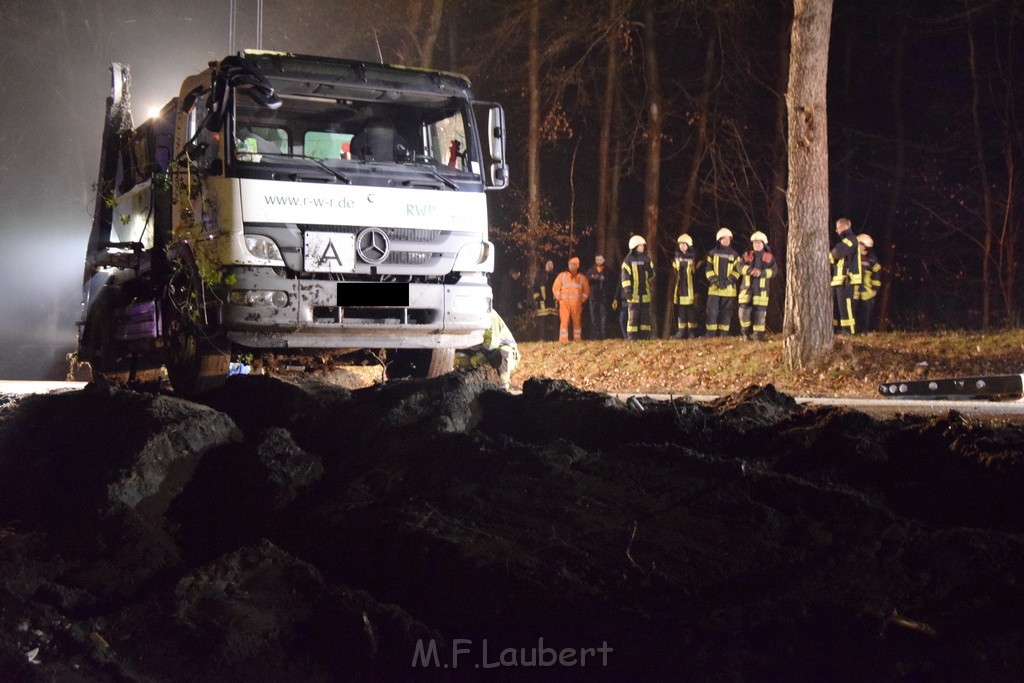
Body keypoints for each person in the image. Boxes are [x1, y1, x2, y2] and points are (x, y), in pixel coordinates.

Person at [454, 310, 520, 390]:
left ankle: (502, 386)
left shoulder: (489, 315)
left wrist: (472, 362)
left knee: (502, 353)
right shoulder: (459, 313)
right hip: (477, 353)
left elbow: (491, 346)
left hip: (501, 353)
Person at [737, 231, 776, 341]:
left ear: (764, 244)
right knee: (744, 313)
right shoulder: (747, 255)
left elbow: (774, 271)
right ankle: (745, 334)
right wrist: (749, 270)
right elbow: (739, 266)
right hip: (747, 290)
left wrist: (761, 273)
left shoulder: (769, 257)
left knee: (760, 314)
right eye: (755, 243)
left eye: (759, 243)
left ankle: (758, 336)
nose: (756, 245)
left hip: (761, 291)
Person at [704, 227, 740, 337]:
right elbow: (708, 269)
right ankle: (711, 334)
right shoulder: (712, 253)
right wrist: (715, 281)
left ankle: (723, 335)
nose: (726, 241)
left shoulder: (735, 254)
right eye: (724, 239)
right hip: (714, 289)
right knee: (712, 313)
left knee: (726, 313)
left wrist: (729, 281)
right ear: (719, 240)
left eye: (728, 239)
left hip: (729, 290)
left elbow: (737, 270)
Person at [829, 217, 862, 335]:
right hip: (839, 281)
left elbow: (838, 252)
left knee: (846, 308)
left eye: (838, 228)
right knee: (838, 309)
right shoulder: (846, 240)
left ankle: (849, 332)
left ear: (844, 227)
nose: (836, 231)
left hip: (847, 280)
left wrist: (830, 257)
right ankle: (838, 330)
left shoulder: (850, 239)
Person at [620, 235, 655, 340]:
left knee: (645, 316)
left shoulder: (646, 259)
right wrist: (627, 291)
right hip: (633, 294)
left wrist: (650, 273)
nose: (643, 247)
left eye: (643, 246)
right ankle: (632, 337)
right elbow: (625, 277)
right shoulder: (628, 261)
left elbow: (652, 274)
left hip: (645, 293)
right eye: (640, 246)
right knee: (633, 317)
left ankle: (645, 337)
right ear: (635, 246)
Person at [552, 256, 590, 343]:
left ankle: (577, 339)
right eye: (570, 264)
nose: (571, 266)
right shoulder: (562, 276)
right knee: (564, 321)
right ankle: (563, 340)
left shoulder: (582, 278)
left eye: (573, 264)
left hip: (576, 304)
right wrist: (559, 298)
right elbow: (555, 287)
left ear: (577, 266)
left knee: (577, 322)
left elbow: (586, 290)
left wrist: (581, 300)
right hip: (564, 303)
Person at [671, 234, 699, 338]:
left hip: (691, 289)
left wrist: (697, 292)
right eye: (680, 244)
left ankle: (692, 332)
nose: (681, 246)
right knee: (681, 312)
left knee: (691, 312)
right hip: (680, 289)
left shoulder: (694, 257)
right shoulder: (677, 257)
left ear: (689, 245)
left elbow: (697, 275)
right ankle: (681, 332)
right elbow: (674, 273)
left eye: (684, 244)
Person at [854, 233, 881, 334]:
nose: (861, 247)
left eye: (862, 245)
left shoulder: (872, 259)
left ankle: (864, 332)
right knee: (852, 313)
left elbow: (876, 275)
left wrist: (875, 290)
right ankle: (852, 332)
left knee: (865, 313)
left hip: (866, 292)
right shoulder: (853, 257)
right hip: (854, 290)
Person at [585, 255, 614, 340]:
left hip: (603, 297)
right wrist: (592, 278)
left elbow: (611, 283)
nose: (598, 261)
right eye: (597, 259)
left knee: (604, 317)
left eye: (600, 259)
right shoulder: (590, 271)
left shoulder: (607, 271)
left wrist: (604, 279)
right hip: (593, 297)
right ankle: (595, 337)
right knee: (594, 318)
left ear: (604, 260)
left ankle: (604, 336)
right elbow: (586, 283)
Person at [532, 259, 559, 341]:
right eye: (548, 264)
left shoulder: (555, 276)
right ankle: (542, 339)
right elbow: (534, 288)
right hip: (543, 302)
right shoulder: (540, 275)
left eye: (551, 264)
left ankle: (555, 339)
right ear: (545, 265)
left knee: (554, 322)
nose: (550, 266)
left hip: (553, 302)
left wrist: (557, 298)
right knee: (542, 323)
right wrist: (538, 298)